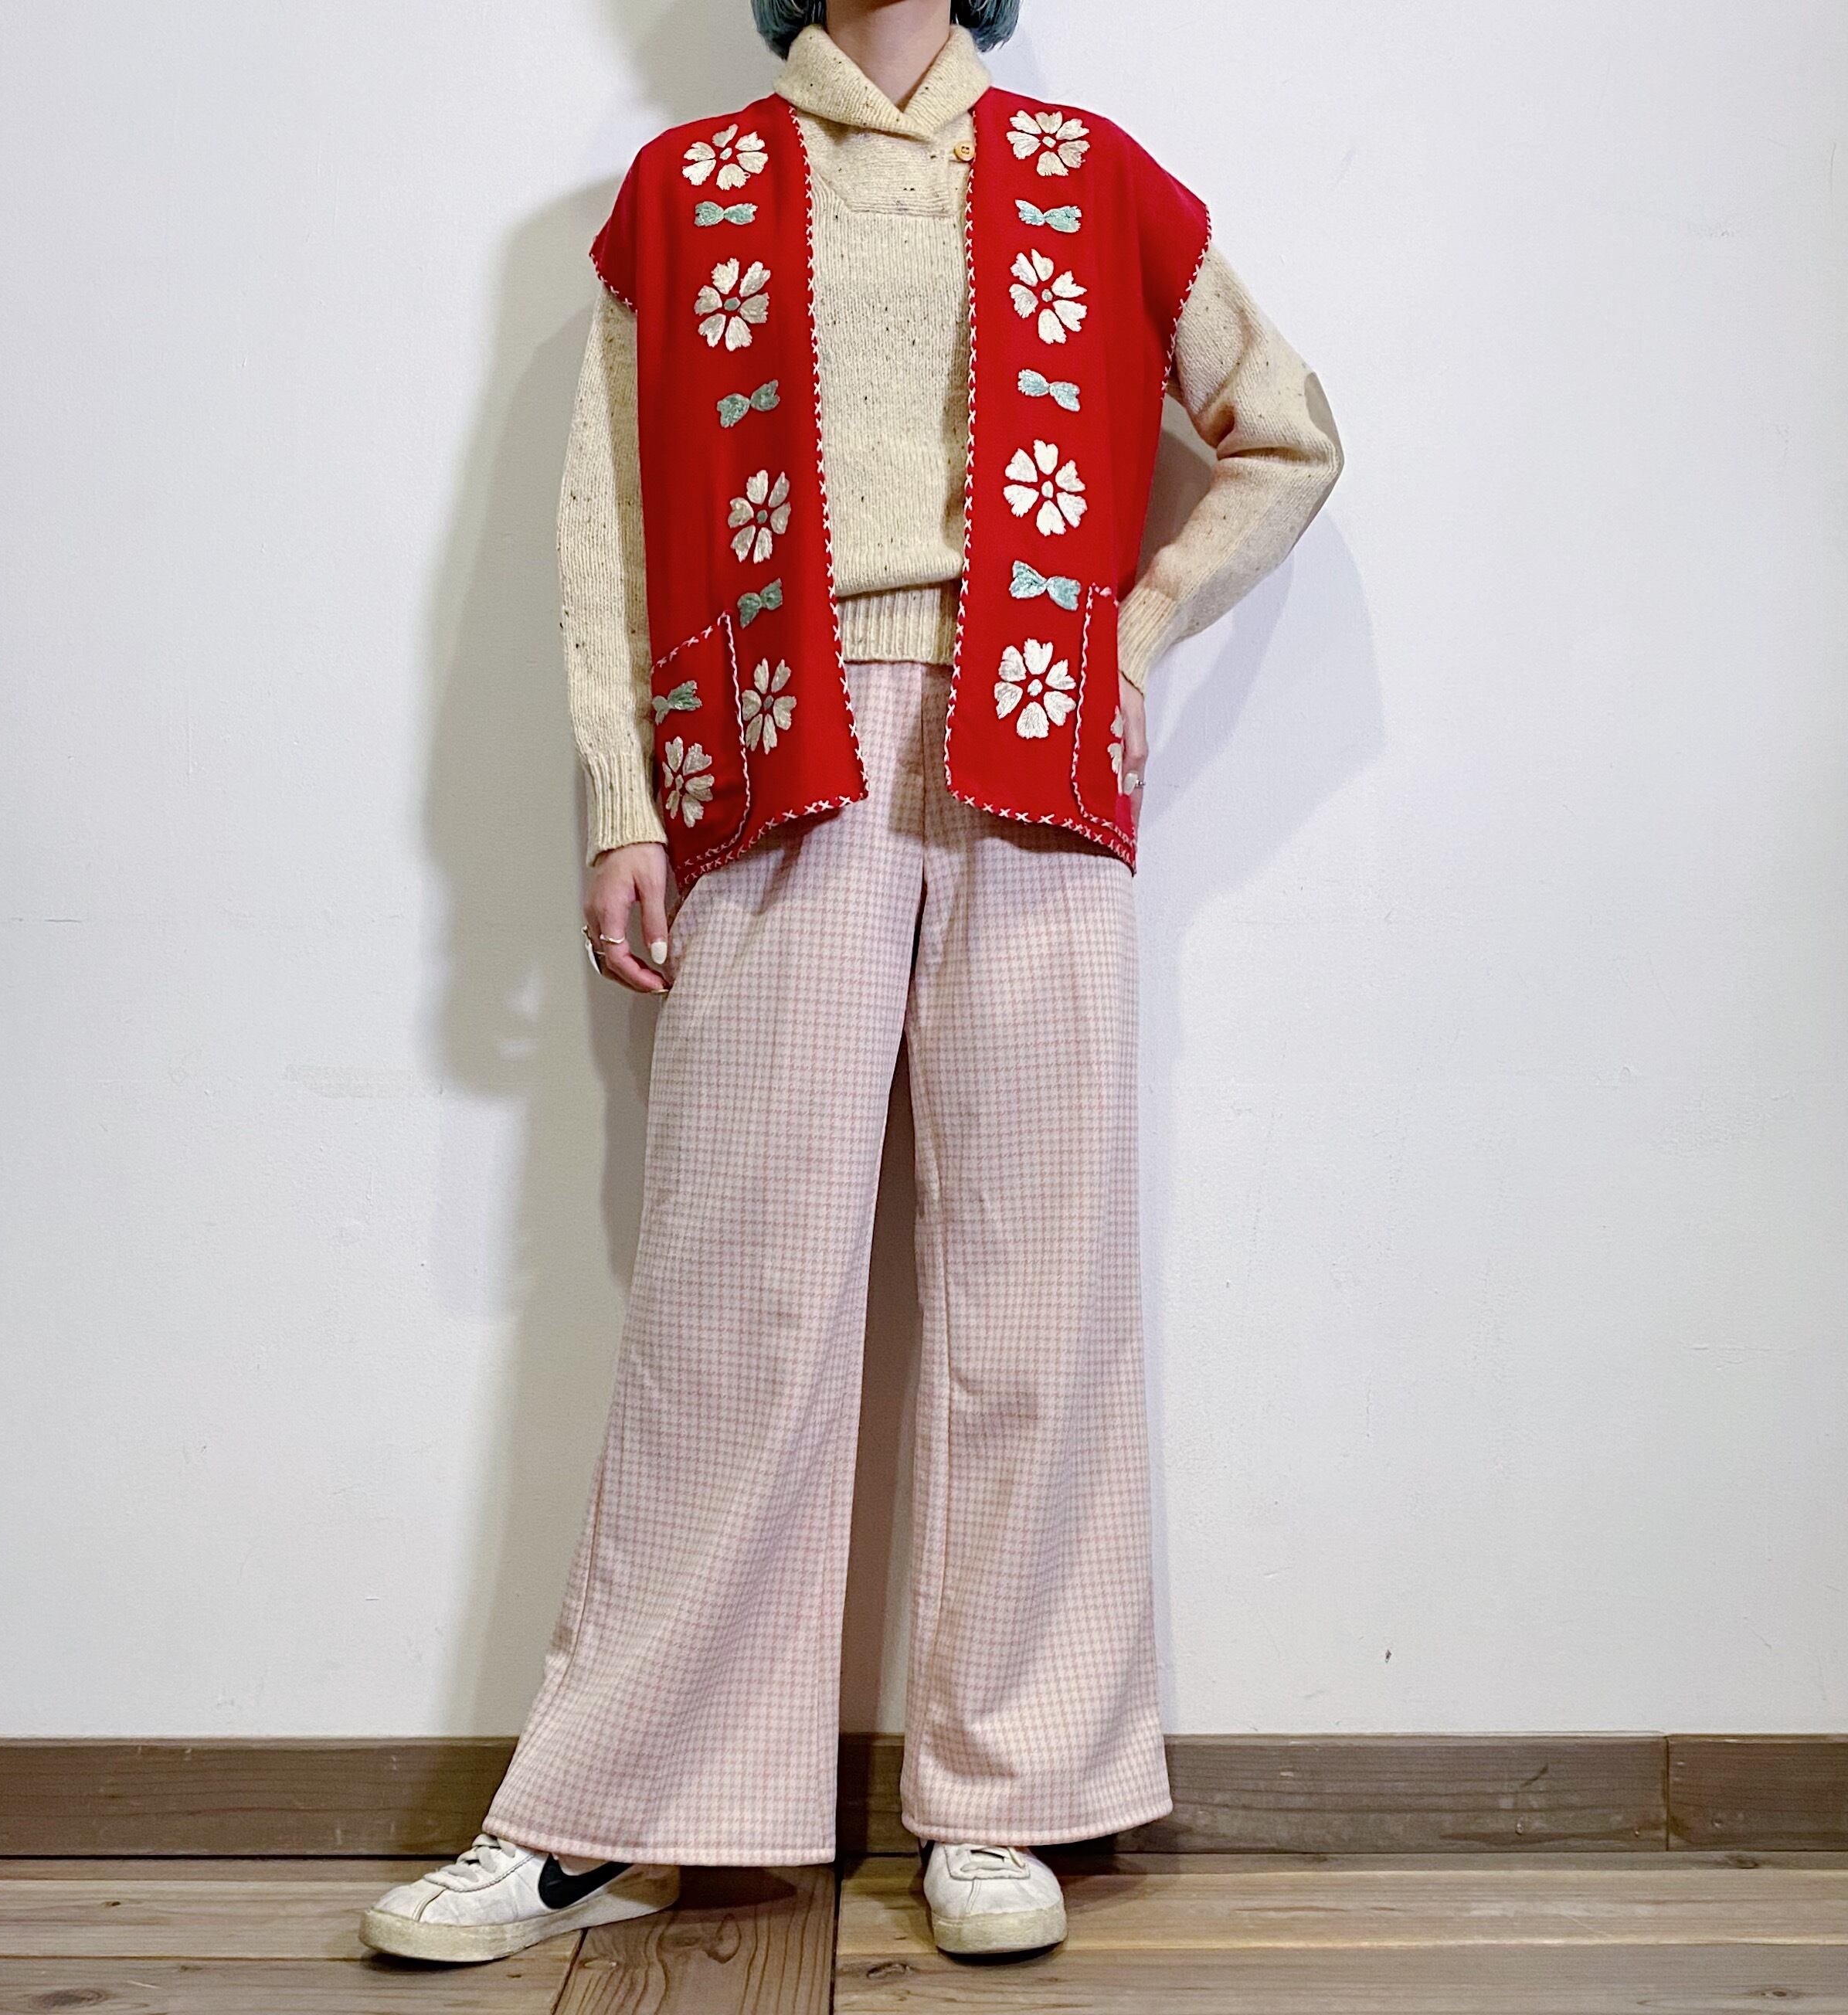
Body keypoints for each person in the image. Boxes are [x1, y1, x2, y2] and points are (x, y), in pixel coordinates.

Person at [362, 0, 1340, 1966]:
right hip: (770, 743)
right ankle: (614, 1807)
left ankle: (1010, 1795)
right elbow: (604, 528)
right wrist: (619, 796)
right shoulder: (689, 191)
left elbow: (1286, 434)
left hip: (1031, 736)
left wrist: (1136, 623)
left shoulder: (1090, 181)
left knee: (1037, 1281)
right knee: (738, 1288)